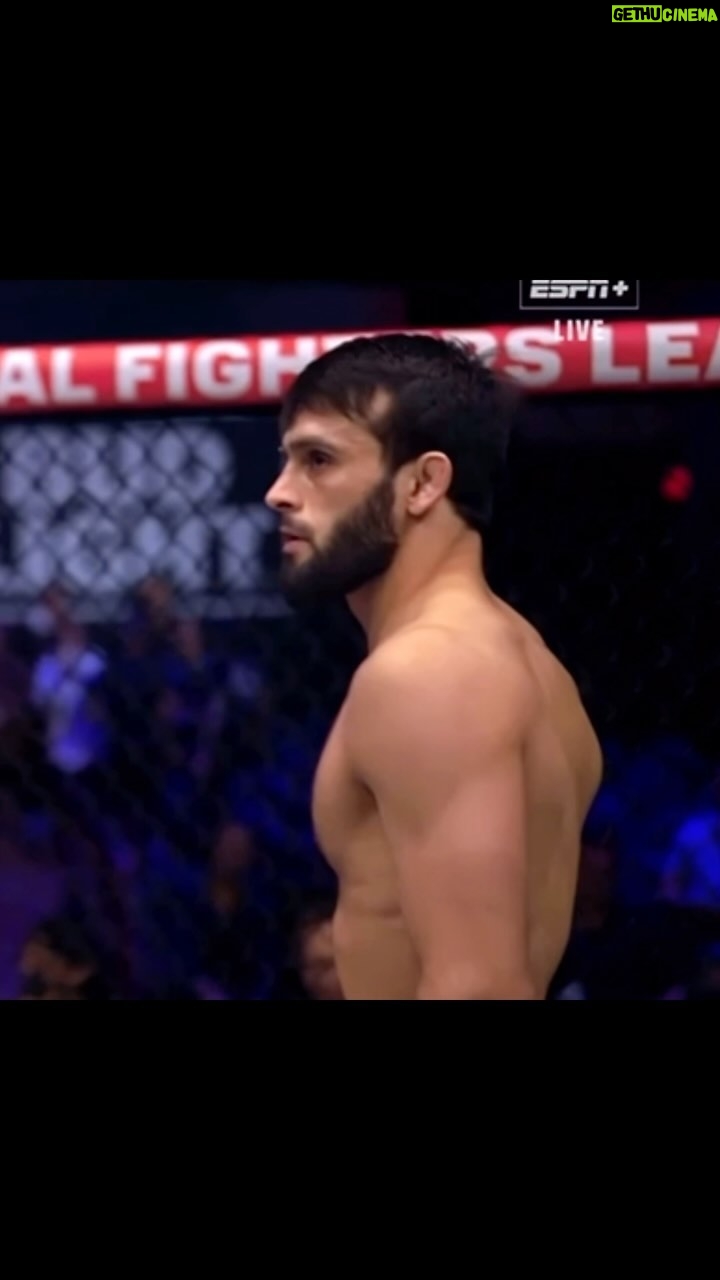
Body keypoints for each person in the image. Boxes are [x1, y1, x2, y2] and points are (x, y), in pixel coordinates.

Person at [264, 333, 603, 1001]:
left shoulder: (430, 672)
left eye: (319, 460)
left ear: (422, 483)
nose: (279, 492)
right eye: (287, 460)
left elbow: (480, 987)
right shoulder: (519, 656)